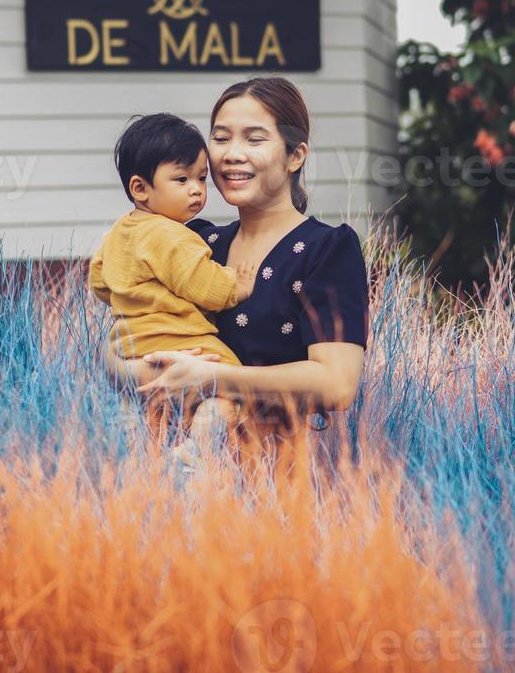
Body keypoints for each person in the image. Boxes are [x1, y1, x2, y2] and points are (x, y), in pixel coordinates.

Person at [105, 77, 369, 460]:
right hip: (159, 465)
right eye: (222, 137)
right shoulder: (195, 241)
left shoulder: (324, 250)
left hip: (269, 476)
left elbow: (337, 383)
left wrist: (212, 379)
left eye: (254, 139)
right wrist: (141, 374)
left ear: (295, 155)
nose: (232, 154)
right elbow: (121, 337)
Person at [88, 113, 257, 466]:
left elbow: (100, 282)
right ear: (140, 188)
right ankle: (194, 452)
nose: (196, 189)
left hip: (134, 346)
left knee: (146, 404)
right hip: (182, 342)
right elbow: (205, 287)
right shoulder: (173, 236)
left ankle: (134, 444)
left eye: (200, 178)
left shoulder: (120, 232)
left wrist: (132, 296)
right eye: (180, 179)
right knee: (230, 389)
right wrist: (236, 285)